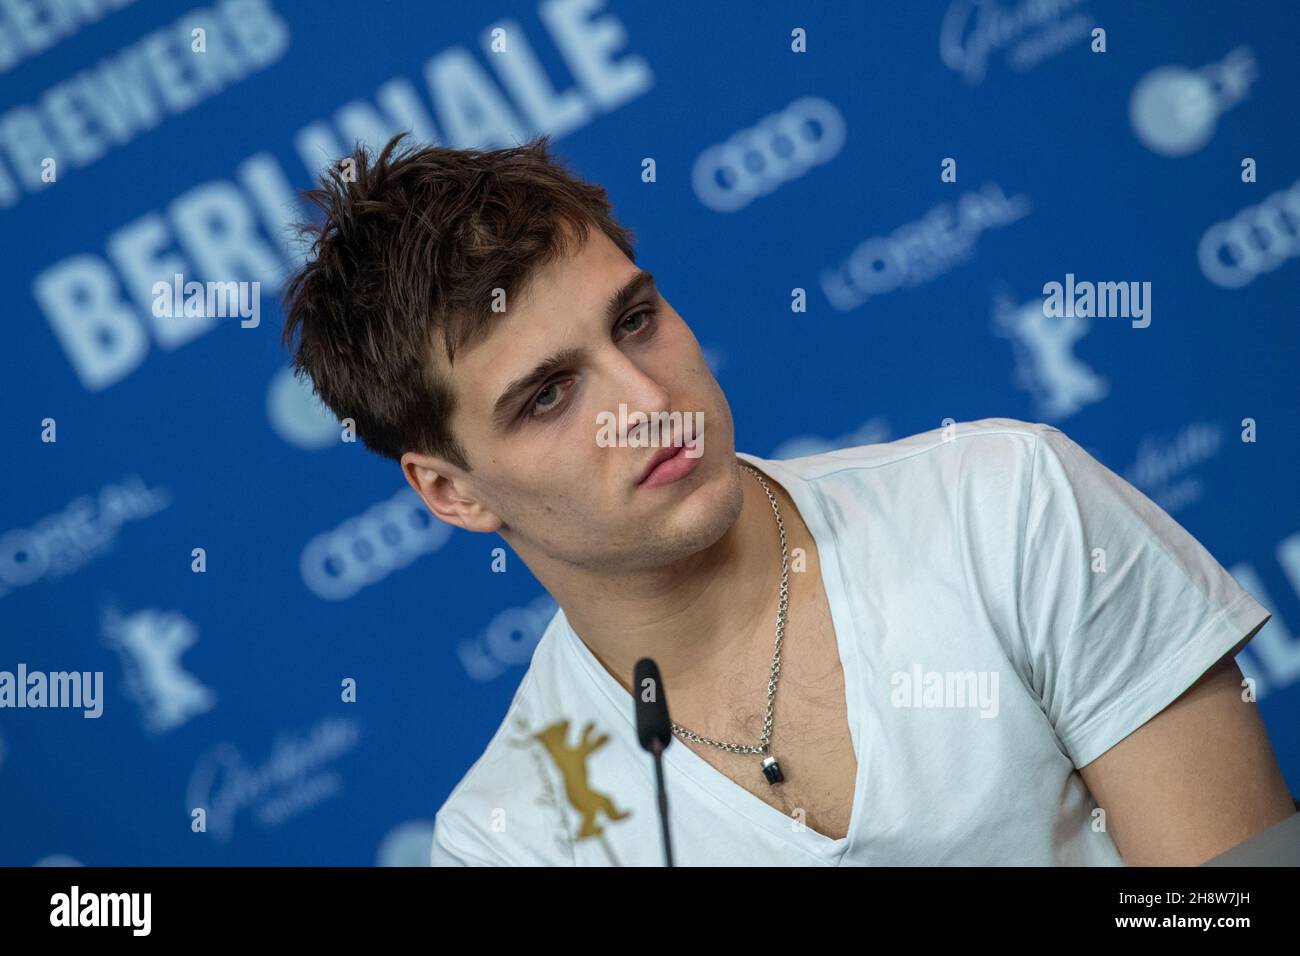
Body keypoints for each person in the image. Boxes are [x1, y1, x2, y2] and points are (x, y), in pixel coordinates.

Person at [280, 132, 1295, 866]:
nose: (646, 402)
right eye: (549, 395)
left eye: (635, 321)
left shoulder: (1004, 503)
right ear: (452, 491)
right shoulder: (513, 837)